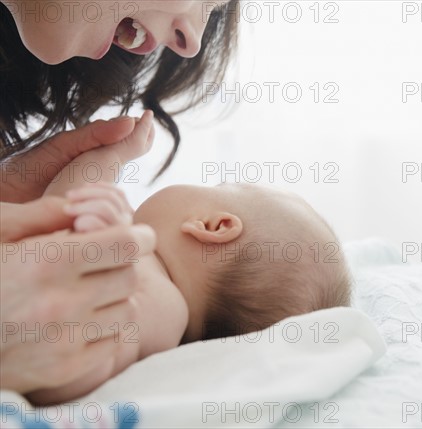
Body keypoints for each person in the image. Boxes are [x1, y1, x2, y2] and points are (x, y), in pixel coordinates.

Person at [18, 111, 352, 404]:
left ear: (212, 226)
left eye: (218, 186)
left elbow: (78, 366)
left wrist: (115, 157)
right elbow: (61, 208)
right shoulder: (147, 267)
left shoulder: (165, 306)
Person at [0, 0, 240, 394]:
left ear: (216, 226)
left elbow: (67, 220)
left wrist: (104, 164)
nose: (192, 43)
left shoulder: (153, 294)